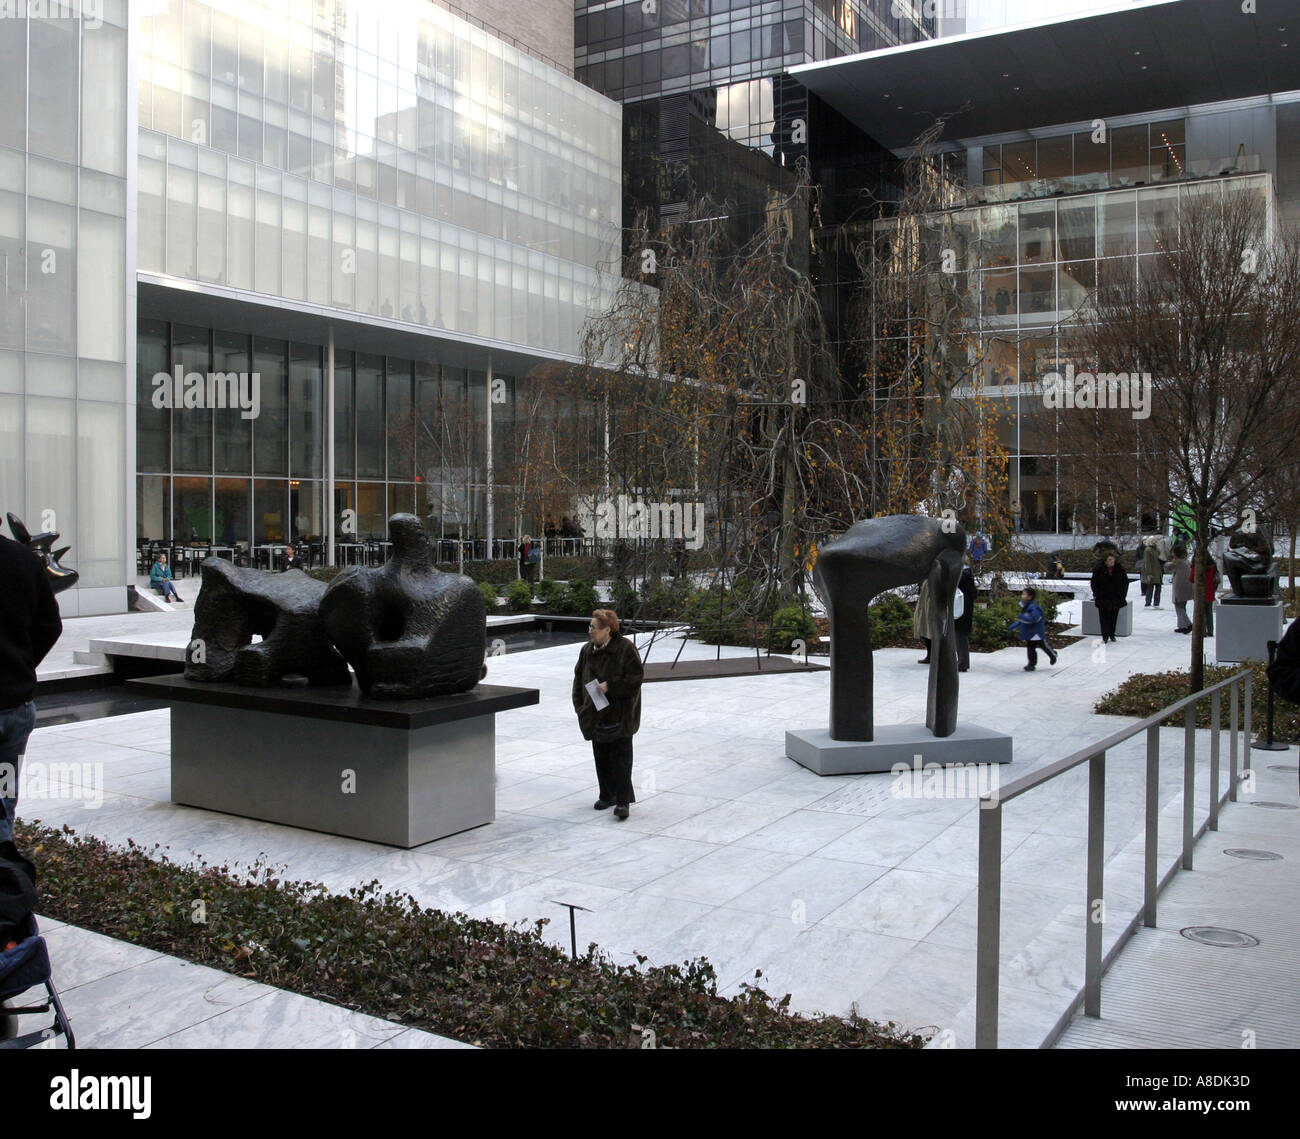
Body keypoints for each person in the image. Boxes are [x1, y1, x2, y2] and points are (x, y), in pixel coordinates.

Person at [1, 531, 63, 846]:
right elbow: (50, 625)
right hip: (15, 704)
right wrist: (23, 666)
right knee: (3, 798)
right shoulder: (24, 558)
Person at [572, 610, 643, 820]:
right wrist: (579, 705)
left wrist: (610, 686)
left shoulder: (625, 649)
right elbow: (578, 678)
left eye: (594, 627)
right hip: (594, 712)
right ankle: (607, 794)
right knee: (600, 754)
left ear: (607, 630)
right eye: (590, 626)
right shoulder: (586, 650)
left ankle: (622, 802)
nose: (590, 631)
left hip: (620, 713)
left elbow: (635, 678)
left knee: (621, 758)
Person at [1009, 587, 1057, 671]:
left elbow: (1033, 619)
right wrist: (1015, 625)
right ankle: (1031, 664)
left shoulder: (1034, 607)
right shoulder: (1026, 606)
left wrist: (1021, 617)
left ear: (1030, 597)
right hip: (1029, 632)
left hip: (1036, 632)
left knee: (1043, 645)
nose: (1022, 596)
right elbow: (1023, 620)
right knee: (1030, 648)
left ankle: (1052, 654)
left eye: (1024, 594)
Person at [1090, 551, 1129, 643]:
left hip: (1116, 597)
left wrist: (1122, 595)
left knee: (1114, 617)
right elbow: (1094, 583)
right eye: (1110, 560)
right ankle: (1105, 636)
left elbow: (1125, 583)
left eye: (1113, 559)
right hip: (1103, 597)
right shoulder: (1099, 570)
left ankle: (1112, 634)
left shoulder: (1120, 569)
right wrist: (1097, 594)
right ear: (1105, 561)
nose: (1112, 561)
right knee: (1104, 618)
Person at [955, 559, 976, 672]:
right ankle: (962, 662)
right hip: (963, 611)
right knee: (959, 637)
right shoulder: (968, 576)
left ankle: (962, 663)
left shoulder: (963, 576)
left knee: (960, 637)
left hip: (961, 611)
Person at [1191, 557, 1218, 636]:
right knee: (1209, 612)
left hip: (1200, 591)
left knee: (1200, 612)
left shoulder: (1196, 565)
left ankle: (1201, 631)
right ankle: (1210, 630)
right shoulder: (1213, 566)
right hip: (1210, 590)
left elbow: (1192, 578)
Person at [1170, 545, 1193, 633]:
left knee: (1179, 607)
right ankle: (1182, 625)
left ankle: (1188, 624)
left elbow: (1167, 567)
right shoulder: (1187, 562)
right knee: (1182, 606)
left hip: (1180, 587)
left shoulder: (1178, 562)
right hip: (1186, 587)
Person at [914, 577, 934, 664]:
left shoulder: (934, 577)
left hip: (930, 607)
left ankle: (932, 656)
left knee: (930, 632)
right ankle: (930, 655)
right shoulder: (926, 579)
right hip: (924, 607)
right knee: (926, 632)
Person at [1141, 536, 1163, 608]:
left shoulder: (1156, 549)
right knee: (1150, 587)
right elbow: (1147, 562)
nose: (1156, 542)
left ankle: (1156, 603)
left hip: (1158, 571)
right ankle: (1148, 602)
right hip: (1152, 571)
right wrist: (1149, 573)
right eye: (1155, 541)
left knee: (1158, 588)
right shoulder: (1148, 550)